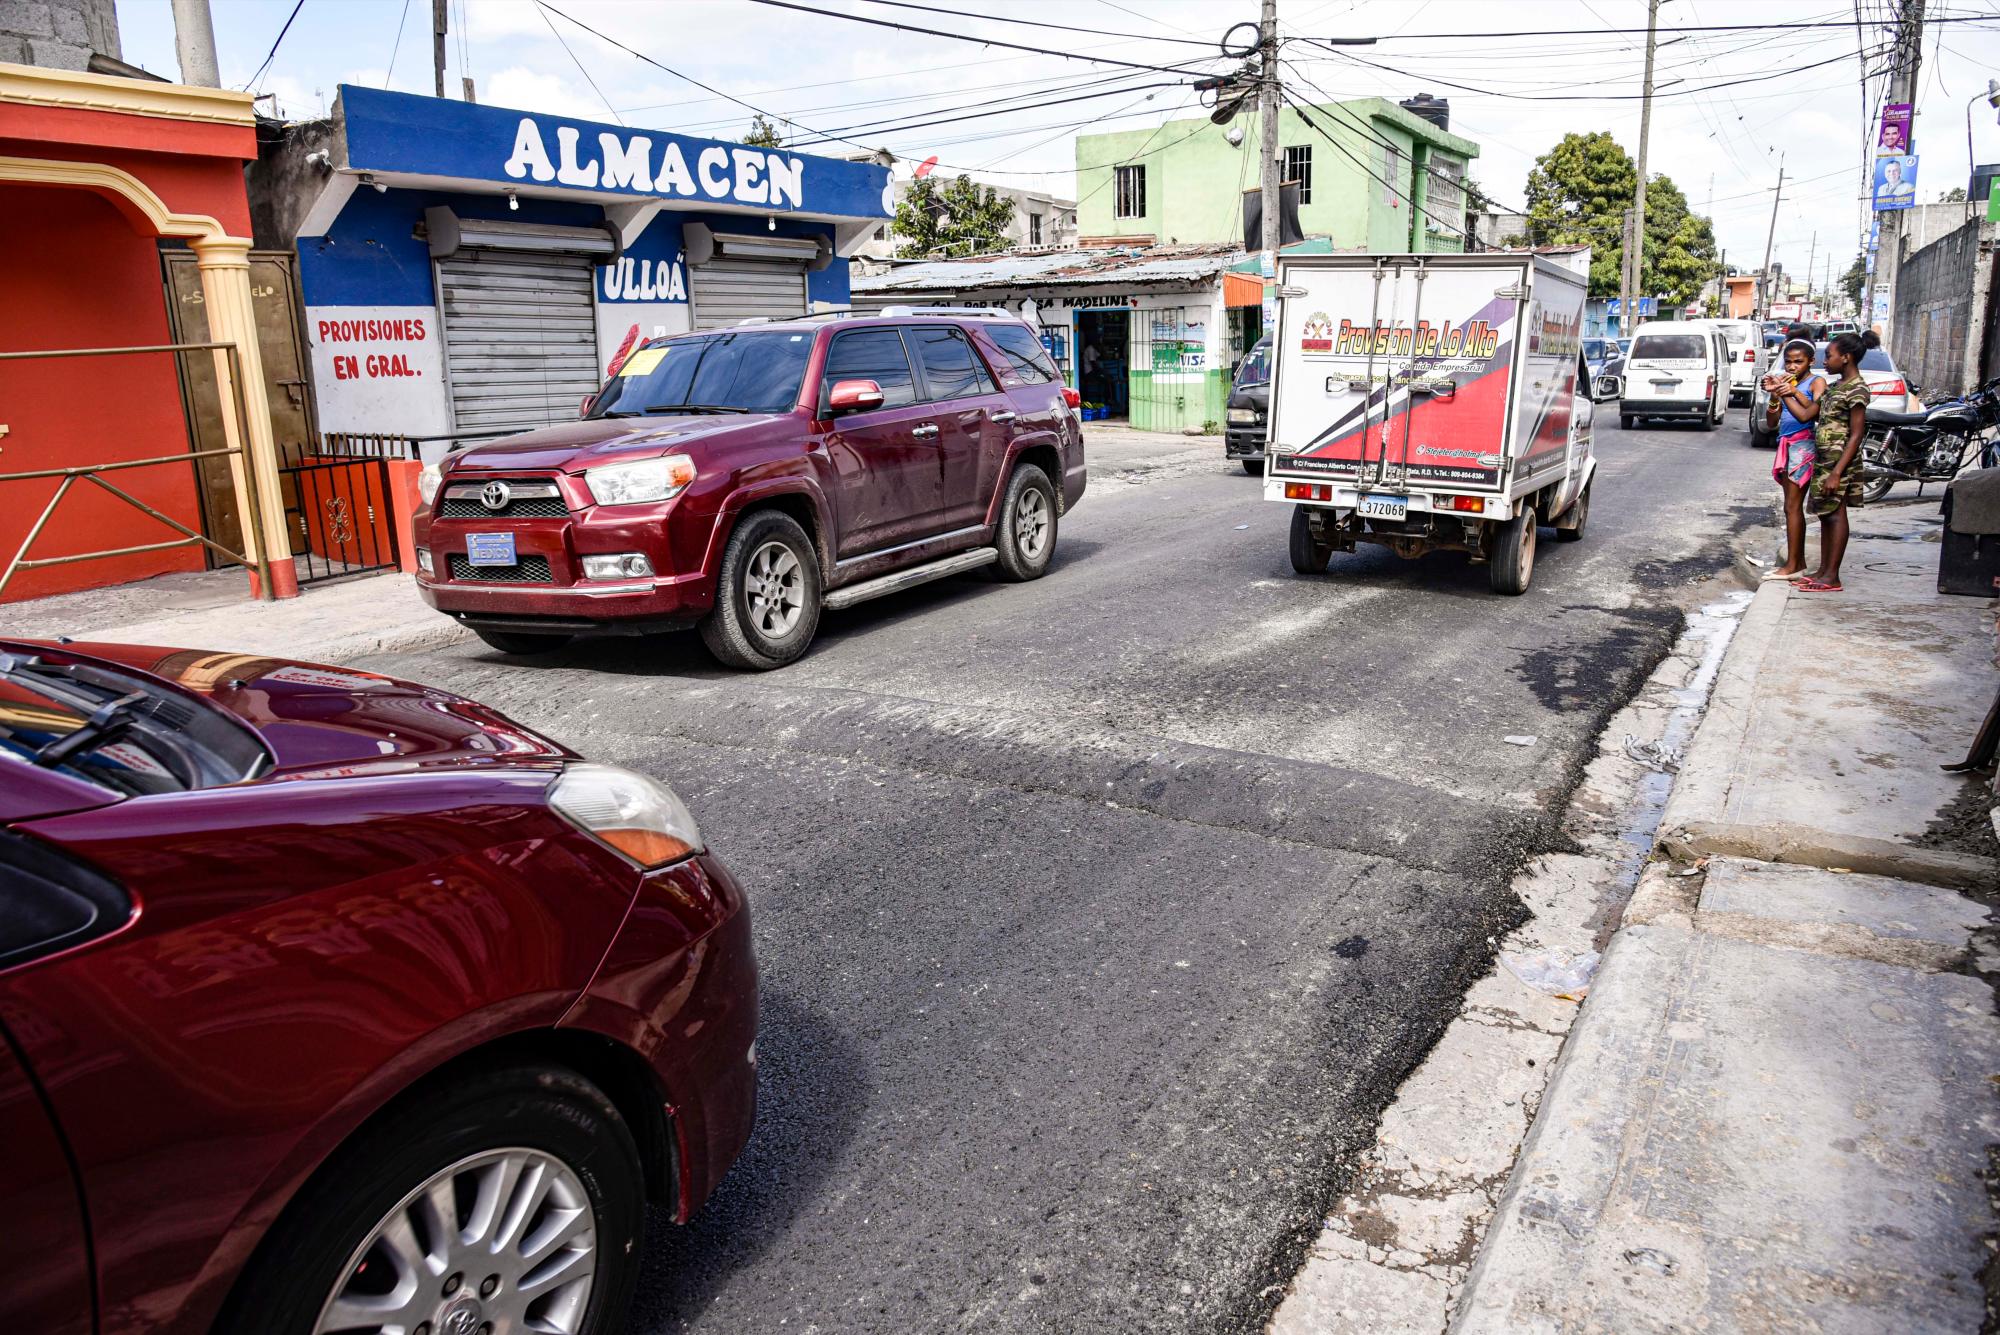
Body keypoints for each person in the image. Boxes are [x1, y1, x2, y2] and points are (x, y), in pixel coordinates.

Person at [1772, 332, 1872, 592]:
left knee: (1836, 514)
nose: (1825, 361)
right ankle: (1824, 570)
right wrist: (1785, 393)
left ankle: (1832, 576)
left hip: (1839, 461)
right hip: (1824, 458)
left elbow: (1857, 434)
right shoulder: (1836, 386)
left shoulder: (1856, 389)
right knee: (1827, 515)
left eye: (1829, 356)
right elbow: (1807, 414)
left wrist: (1837, 472)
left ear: (1846, 357)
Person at [1760, 339, 1823, 581]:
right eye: (1789, 362)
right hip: (1786, 444)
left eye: (1799, 361)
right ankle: (1797, 561)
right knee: (1790, 506)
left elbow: (1811, 412)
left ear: (1811, 361)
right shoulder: (1787, 383)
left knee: (1793, 507)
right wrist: (1776, 396)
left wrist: (1791, 391)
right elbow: (1772, 422)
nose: (1793, 366)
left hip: (1803, 445)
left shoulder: (1815, 382)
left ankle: (1793, 565)